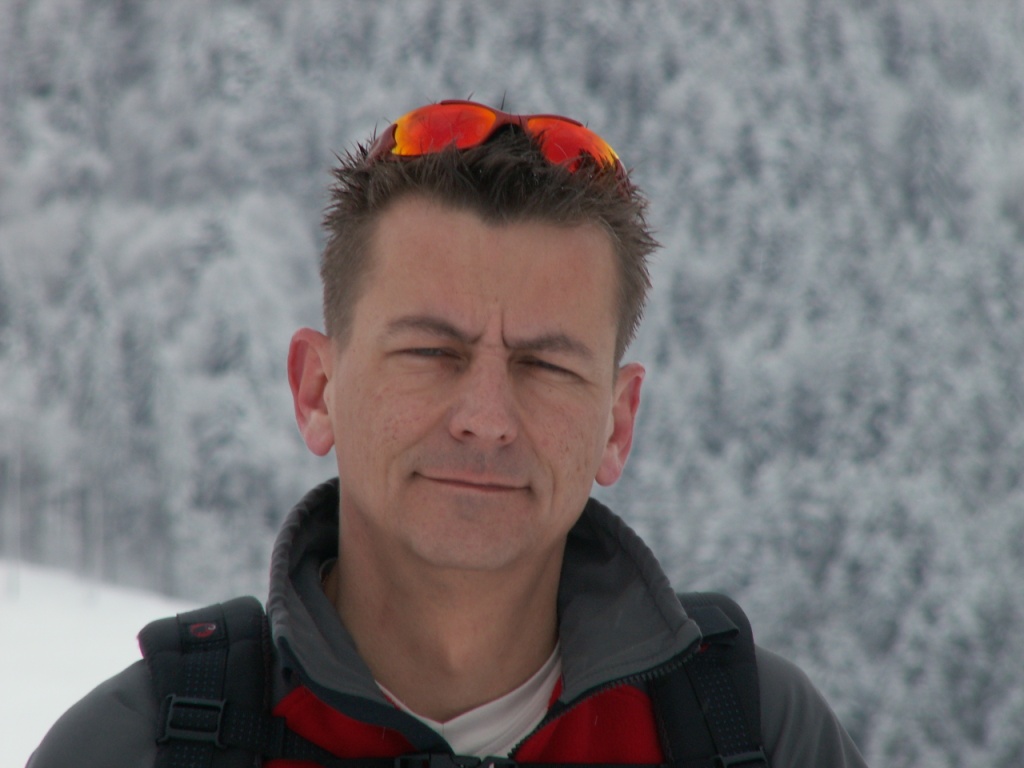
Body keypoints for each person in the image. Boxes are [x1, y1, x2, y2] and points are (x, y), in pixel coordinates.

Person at [28, 100, 867, 767]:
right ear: (317, 390)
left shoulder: (748, 734)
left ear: (617, 424)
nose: (486, 418)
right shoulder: (141, 747)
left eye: (546, 365)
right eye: (431, 352)